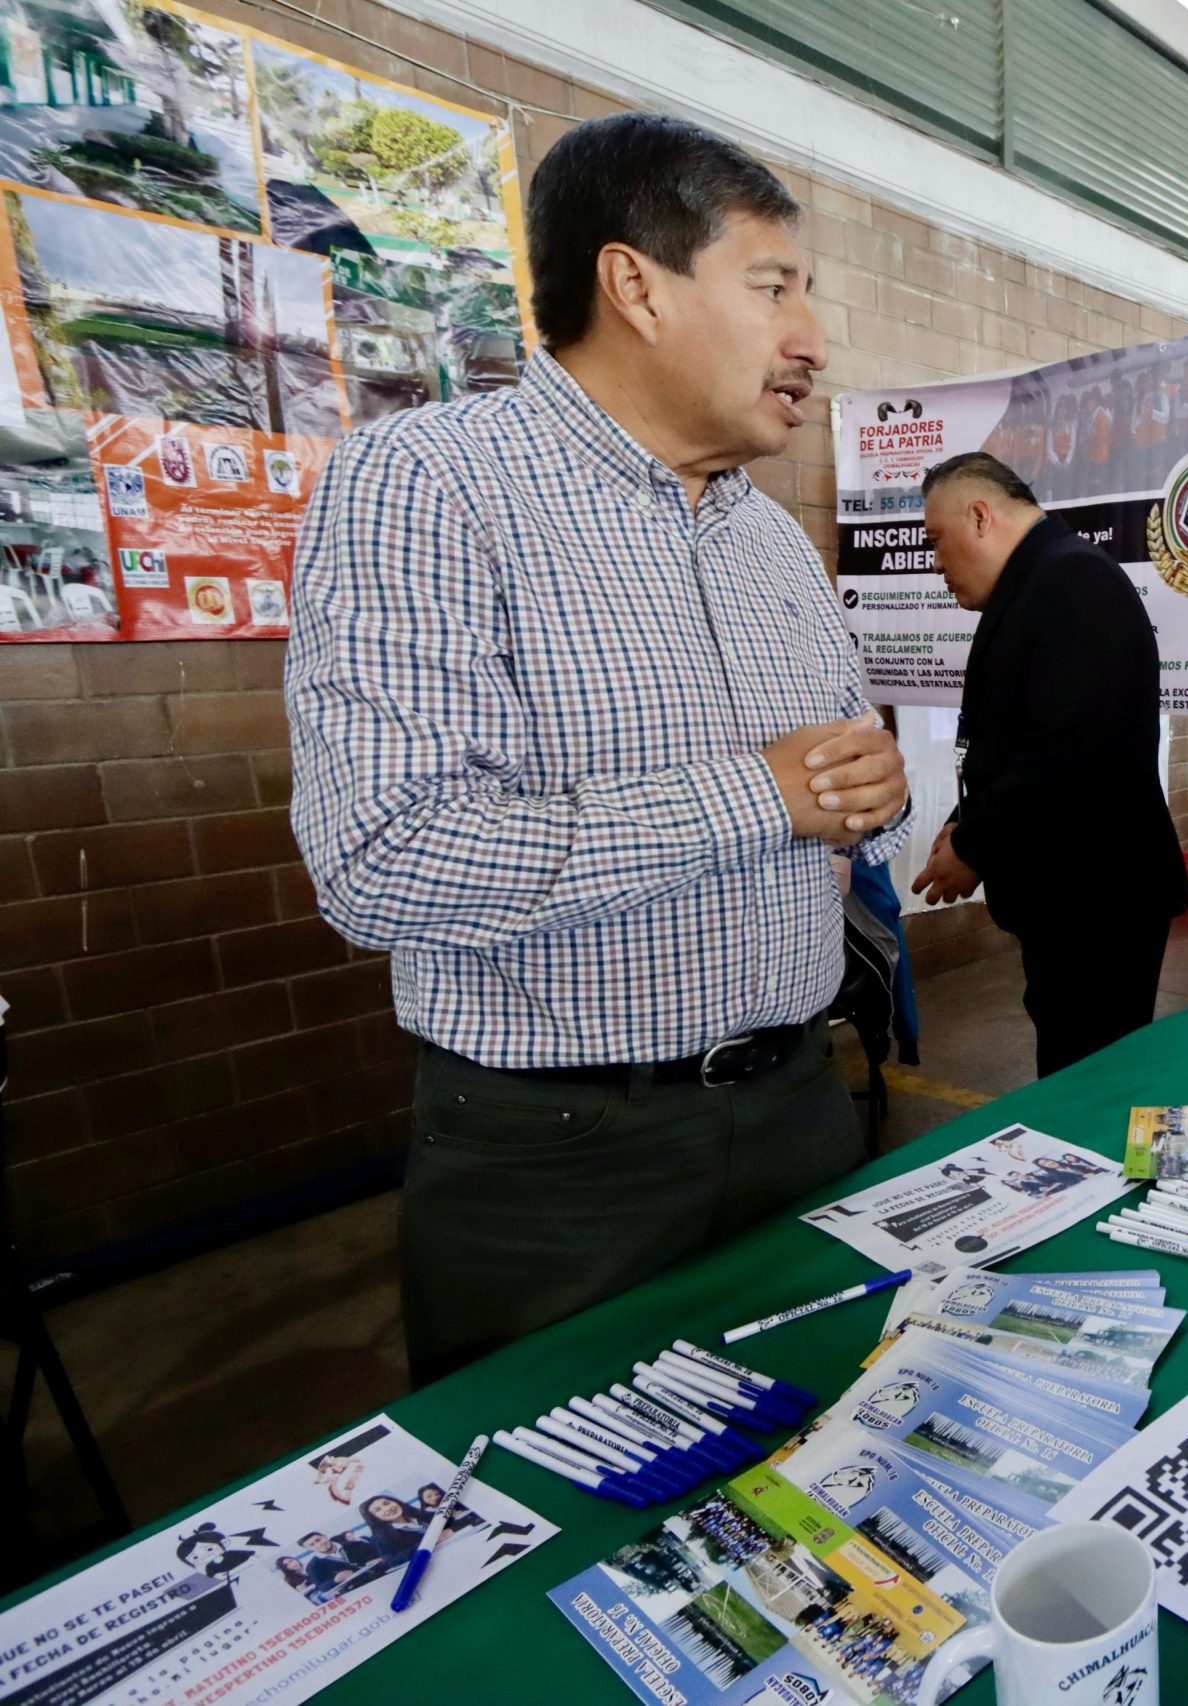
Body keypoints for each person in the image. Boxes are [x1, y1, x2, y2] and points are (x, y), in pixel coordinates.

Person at [286, 113, 910, 1384]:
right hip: (565, 1159)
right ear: (636, 285)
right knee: (558, 1483)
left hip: (800, 1103)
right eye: (774, 287)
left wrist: (873, 793)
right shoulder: (429, 482)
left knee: (827, 1448)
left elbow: (836, 783)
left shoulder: (768, 537)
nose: (812, 338)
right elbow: (380, 858)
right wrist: (760, 796)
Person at [908, 452, 1188, 1075]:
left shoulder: (1073, 582)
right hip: (1070, 897)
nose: (935, 563)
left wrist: (974, 845)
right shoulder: (1037, 583)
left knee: (1089, 1085)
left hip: (1098, 901)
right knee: (1071, 1070)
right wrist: (964, 821)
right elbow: (1014, 739)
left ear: (980, 516)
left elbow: (1068, 755)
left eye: (936, 540)